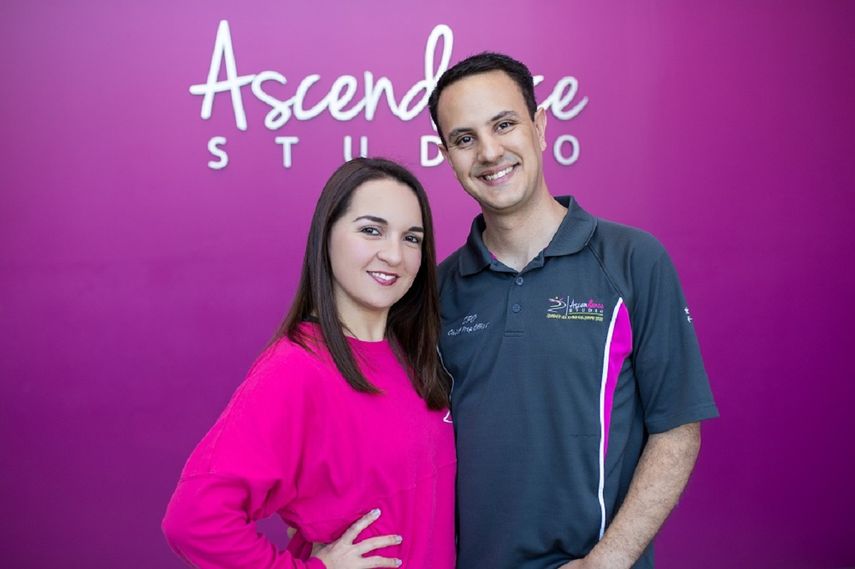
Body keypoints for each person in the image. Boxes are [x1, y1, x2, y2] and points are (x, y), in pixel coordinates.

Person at [428, 53, 719, 569]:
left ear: (539, 127)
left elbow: (677, 429)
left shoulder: (633, 260)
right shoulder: (435, 292)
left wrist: (606, 561)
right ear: (446, 156)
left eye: (504, 124)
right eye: (465, 138)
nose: (490, 152)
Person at [162, 158, 455, 569]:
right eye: (371, 230)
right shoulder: (296, 368)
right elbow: (194, 519)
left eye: (411, 238)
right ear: (326, 235)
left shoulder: (416, 353)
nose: (394, 255)